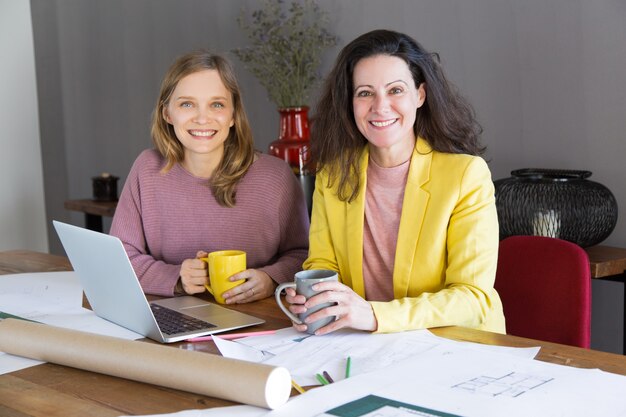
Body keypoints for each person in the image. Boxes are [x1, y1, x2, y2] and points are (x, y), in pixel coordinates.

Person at [285, 29, 505, 334]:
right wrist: (314, 298)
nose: (380, 106)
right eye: (365, 93)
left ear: (420, 95)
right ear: (350, 102)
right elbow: (323, 265)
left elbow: (473, 298)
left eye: (395, 90)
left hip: (455, 348)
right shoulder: (332, 177)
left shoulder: (466, 175)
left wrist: (374, 315)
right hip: (364, 348)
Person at [110, 51, 309, 304]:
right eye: (187, 104)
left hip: (260, 322)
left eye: (217, 104)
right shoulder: (147, 169)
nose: (202, 118)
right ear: (167, 114)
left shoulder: (275, 176)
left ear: (233, 114)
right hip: (173, 318)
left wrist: (271, 279)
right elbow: (119, 258)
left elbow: (304, 255)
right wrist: (177, 278)